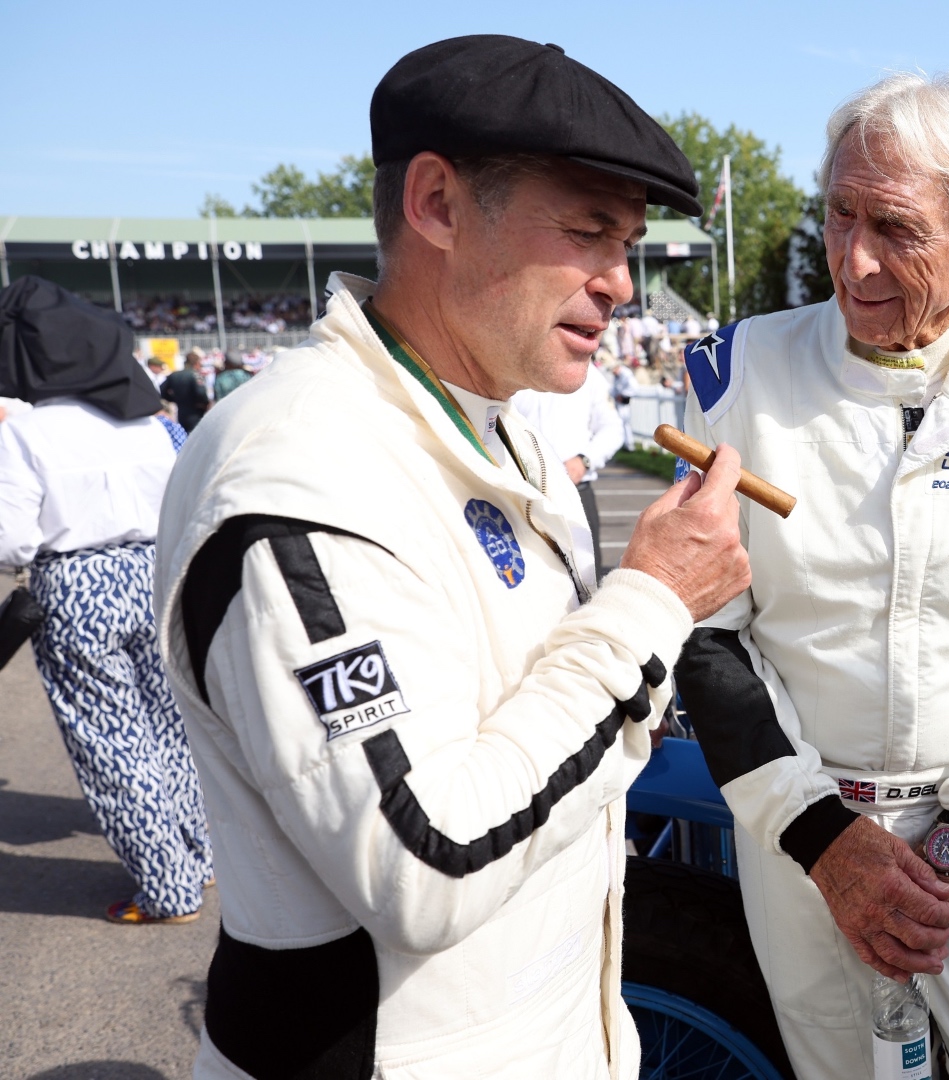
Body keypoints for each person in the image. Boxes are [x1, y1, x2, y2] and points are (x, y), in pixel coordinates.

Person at [151, 36, 749, 1079]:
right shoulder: (299, 473)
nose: (621, 282)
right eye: (588, 233)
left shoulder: (504, 429)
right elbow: (425, 860)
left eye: (630, 242)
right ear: (435, 203)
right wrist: (652, 605)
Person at [673, 72, 949, 1080]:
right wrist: (826, 840)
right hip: (800, 842)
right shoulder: (735, 374)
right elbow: (707, 629)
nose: (852, 259)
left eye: (895, 227)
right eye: (838, 215)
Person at [0, 275, 212, 925]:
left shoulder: (26, 435)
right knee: (171, 728)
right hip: (154, 573)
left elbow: (11, 543)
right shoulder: (147, 426)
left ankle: (165, 887)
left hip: (77, 584)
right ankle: (197, 861)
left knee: (112, 742)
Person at [513, 359, 625, 578]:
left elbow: (612, 429)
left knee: (586, 581)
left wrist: (585, 460)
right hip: (522, 493)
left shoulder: (589, 375)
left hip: (575, 494)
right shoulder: (514, 369)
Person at [160, 347, 210, 430]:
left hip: (181, 412)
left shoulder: (174, 375)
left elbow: (162, 391)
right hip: (195, 412)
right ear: (197, 363)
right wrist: (205, 404)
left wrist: (175, 399)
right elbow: (201, 394)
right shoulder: (196, 375)